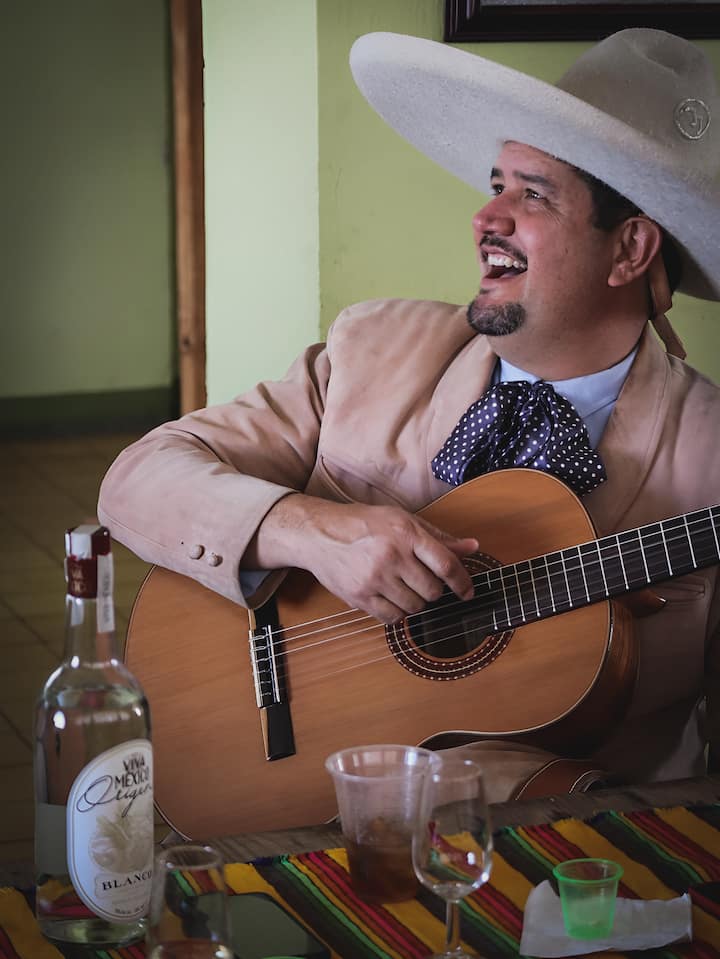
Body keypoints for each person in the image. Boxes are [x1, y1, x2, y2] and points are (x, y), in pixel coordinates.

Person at [98, 27, 720, 799]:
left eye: (532, 194)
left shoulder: (710, 455)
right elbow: (136, 479)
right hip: (294, 782)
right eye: (496, 184)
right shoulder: (374, 347)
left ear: (629, 250)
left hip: (563, 842)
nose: (486, 217)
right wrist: (314, 531)